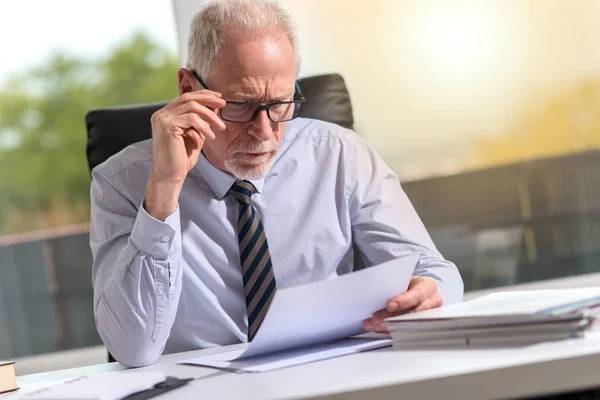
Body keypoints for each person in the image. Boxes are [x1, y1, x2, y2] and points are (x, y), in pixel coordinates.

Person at [90, 0, 463, 367]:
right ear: (189, 88)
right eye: (240, 105)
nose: (264, 132)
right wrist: (164, 191)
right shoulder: (122, 182)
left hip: (326, 374)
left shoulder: (339, 155)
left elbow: (435, 272)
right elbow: (132, 348)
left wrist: (428, 294)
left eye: (281, 104)